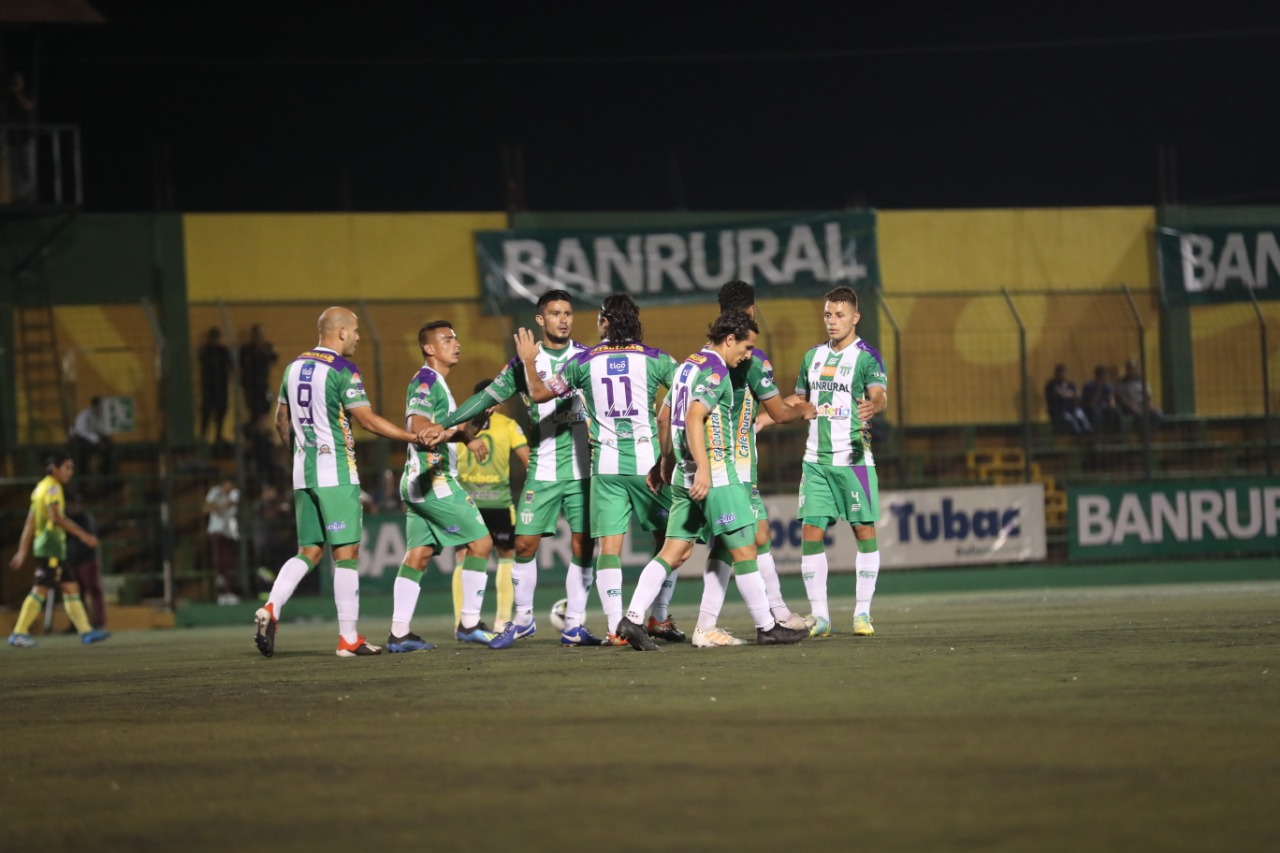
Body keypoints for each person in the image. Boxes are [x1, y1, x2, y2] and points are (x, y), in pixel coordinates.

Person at [613, 311, 810, 651]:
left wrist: (667, 463)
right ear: (730, 339)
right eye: (746, 347)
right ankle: (767, 625)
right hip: (716, 473)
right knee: (745, 547)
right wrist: (703, 468)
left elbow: (666, 418)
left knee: (673, 551)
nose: (748, 355)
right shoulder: (717, 370)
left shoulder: (689, 363)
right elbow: (692, 416)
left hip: (682, 475)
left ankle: (630, 618)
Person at [253, 306, 440, 659]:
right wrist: (410, 438)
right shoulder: (342, 369)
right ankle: (348, 639)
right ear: (340, 332)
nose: (357, 337)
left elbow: (281, 421)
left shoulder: (292, 368)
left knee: (308, 550)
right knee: (347, 554)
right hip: (335, 472)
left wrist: (299, 454)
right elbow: (366, 421)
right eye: (355, 332)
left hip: (302, 472)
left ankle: (271, 608)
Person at [515, 293, 680, 644]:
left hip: (604, 469)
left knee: (609, 549)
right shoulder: (657, 359)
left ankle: (614, 627)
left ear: (604, 322)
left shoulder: (584, 361)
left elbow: (540, 393)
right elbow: (687, 391)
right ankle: (657, 615)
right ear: (636, 321)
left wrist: (530, 362)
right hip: (648, 467)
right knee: (670, 543)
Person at [441, 289, 603, 646]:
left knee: (583, 546)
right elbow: (486, 398)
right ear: (540, 320)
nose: (564, 319)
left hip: (583, 472)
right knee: (524, 545)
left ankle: (574, 623)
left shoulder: (587, 358)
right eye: (556, 313)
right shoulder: (521, 364)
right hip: (542, 470)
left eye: (568, 313)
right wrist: (447, 423)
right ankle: (524, 618)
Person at [689, 280, 817, 646]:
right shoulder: (751, 356)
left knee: (744, 539)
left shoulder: (706, 354)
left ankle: (767, 616)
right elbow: (777, 410)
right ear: (751, 311)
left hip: (724, 460)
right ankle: (767, 618)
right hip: (734, 462)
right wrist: (802, 408)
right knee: (744, 539)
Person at [387, 320, 510, 652]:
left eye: (456, 337)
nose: (456, 343)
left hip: (414, 482)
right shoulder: (427, 381)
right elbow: (418, 422)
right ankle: (470, 623)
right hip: (434, 480)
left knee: (419, 555)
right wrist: (429, 430)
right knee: (482, 544)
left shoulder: (437, 382)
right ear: (429, 348)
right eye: (447, 339)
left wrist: (464, 436)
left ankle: (399, 633)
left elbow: (438, 426)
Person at [786, 286, 888, 638]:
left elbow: (879, 393)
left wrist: (874, 405)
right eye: (828, 314)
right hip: (815, 461)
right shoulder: (812, 356)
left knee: (864, 531)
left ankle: (862, 614)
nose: (832, 321)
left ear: (855, 317)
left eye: (840, 315)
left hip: (854, 460)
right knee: (811, 532)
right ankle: (821, 617)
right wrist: (765, 416)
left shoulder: (866, 357)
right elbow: (798, 399)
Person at [7, 454, 110, 647]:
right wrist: (83, 535)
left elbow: (30, 521)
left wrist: (22, 551)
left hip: (53, 549)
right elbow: (56, 517)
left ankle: (86, 632)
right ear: (54, 468)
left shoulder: (40, 488)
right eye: (67, 467)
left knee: (71, 588)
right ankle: (19, 633)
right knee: (40, 590)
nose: (70, 472)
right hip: (51, 548)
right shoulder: (53, 488)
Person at [453, 379, 530, 632]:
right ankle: (501, 620)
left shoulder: (458, 423)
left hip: (466, 502)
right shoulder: (508, 425)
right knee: (506, 556)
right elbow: (527, 460)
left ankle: (460, 621)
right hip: (498, 502)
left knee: (463, 556)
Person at [64, 492, 106, 629]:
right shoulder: (66, 519)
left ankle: (99, 621)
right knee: (76, 594)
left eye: (74, 504)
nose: (72, 507)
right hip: (73, 562)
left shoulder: (85, 518)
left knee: (94, 591)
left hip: (87, 561)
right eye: (69, 504)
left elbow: (89, 541)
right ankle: (79, 624)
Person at [204, 476, 241, 605]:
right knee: (219, 564)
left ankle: (229, 592)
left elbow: (234, 503)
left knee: (229, 564)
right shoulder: (216, 492)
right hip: (217, 531)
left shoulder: (235, 493)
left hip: (230, 533)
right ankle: (221, 594)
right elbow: (206, 508)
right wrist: (221, 505)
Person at [197, 327, 233, 447]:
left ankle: (219, 435)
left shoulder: (223, 352)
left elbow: (230, 367)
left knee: (221, 412)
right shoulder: (206, 351)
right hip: (209, 386)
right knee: (207, 412)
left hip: (221, 386)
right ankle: (203, 436)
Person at [239, 323, 279, 425]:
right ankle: (255, 429)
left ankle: (263, 428)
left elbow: (274, 358)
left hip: (264, 384)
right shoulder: (246, 349)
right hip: (250, 386)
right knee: (254, 410)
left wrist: (263, 350)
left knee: (267, 404)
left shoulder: (267, 347)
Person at [69, 397, 113, 480]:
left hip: (90, 441)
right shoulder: (84, 415)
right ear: (93, 406)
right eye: (98, 406)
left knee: (107, 446)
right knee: (81, 461)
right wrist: (96, 439)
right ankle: (81, 477)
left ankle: (104, 474)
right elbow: (81, 431)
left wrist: (106, 436)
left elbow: (101, 429)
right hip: (79, 441)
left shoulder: (99, 415)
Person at [1115, 358, 1163, 433]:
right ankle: (1144, 434)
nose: (1132, 371)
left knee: (1158, 414)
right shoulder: (1122, 383)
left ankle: (1148, 434)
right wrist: (1130, 405)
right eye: (1130, 369)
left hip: (1143, 405)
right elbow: (1120, 397)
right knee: (1140, 414)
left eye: (1134, 368)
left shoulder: (1142, 381)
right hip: (1129, 407)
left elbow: (1148, 395)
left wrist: (1150, 404)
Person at [1044, 363, 1092, 436]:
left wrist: (1072, 395)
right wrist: (1071, 394)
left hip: (1072, 408)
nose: (1062, 374)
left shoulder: (1070, 384)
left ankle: (1089, 437)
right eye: (1060, 372)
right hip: (1059, 410)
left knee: (1082, 418)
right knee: (1071, 421)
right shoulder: (1051, 384)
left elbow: (1078, 395)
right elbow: (1059, 394)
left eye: (1063, 372)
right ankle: (1078, 437)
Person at [1081, 365, 1120, 434]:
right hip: (1089, 408)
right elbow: (1092, 403)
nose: (1107, 377)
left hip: (1103, 408)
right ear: (1098, 376)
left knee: (1115, 411)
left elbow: (1111, 401)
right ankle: (1096, 436)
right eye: (1105, 375)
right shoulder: (1089, 386)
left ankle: (1114, 435)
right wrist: (1098, 388)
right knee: (1096, 412)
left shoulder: (1108, 387)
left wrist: (1112, 405)